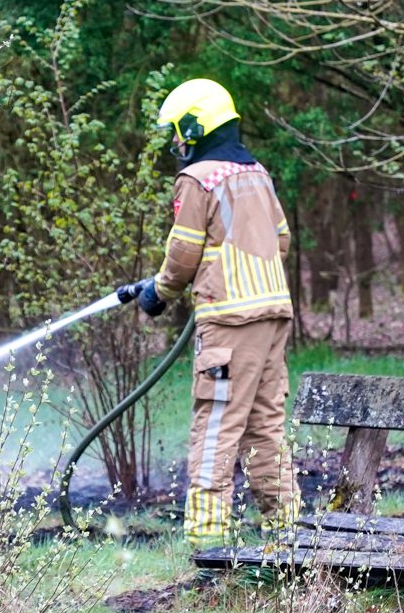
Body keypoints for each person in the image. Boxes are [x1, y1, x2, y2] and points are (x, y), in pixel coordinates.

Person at [117, 78, 300, 543]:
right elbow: (281, 240)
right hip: (273, 315)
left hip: (228, 323)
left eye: (179, 130)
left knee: (215, 427)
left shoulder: (197, 179)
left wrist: (159, 293)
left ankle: (208, 545)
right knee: (266, 429)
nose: (177, 142)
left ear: (197, 126)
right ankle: (289, 535)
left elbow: (183, 253)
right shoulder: (257, 173)